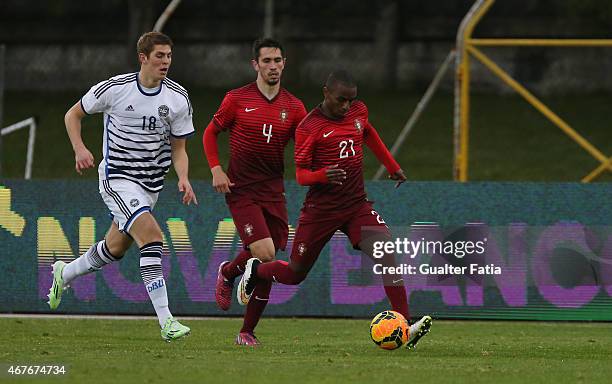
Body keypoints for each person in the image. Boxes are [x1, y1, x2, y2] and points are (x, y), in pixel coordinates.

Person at [237, 70, 432, 349]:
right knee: (294, 273)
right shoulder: (309, 126)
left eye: (351, 101)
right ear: (325, 92)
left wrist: (391, 166)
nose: (346, 106)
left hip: (356, 206)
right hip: (321, 211)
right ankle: (258, 271)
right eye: (341, 100)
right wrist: (323, 175)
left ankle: (404, 324)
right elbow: (302, 175)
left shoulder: (358, 112)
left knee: (386, 252)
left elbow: (368, 132)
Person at [47, 31, 197, 342]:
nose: (165, 62)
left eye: (169, 56)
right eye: (159, 56)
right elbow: (72, 114)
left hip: (151, 186)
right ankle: (167, 321)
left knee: (114, 248)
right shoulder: (116, 89)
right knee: (153, 238)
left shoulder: (178, 98)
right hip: (117, 179)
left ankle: (65, 273)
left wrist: (183, 177)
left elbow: (179, 148)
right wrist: (79, 148)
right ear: (143, 57)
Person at [203, 38, 307, 346]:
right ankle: (243, 319)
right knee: (266, 254)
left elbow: (305, 147)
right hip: (241, 188)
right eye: (266, 61)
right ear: (255, 65)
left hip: (273, 189)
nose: (272, 66)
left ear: (284, 63)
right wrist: (216, 169)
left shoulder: (294, 106)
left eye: (277, 60)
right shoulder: (237, 99)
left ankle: (241, 313)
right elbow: (211, 132)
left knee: (268, 259)